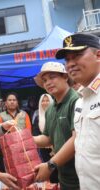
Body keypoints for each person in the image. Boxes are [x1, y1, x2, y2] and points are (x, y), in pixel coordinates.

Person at [56, 33, 100, 190]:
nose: (70, 64)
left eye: (77, 55)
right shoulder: (81, 101)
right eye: (67, 59)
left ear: (98, 55)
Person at [33, 61, 79, 190]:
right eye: (44, 80)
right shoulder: (51, 109)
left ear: (65, 77)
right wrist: (24, 140)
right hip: (64, 175)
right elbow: (48, 138)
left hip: (81, 174)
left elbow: (77, 139)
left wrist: (50, 165)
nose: (48, 82)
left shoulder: (76, 101)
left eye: (52, 77)